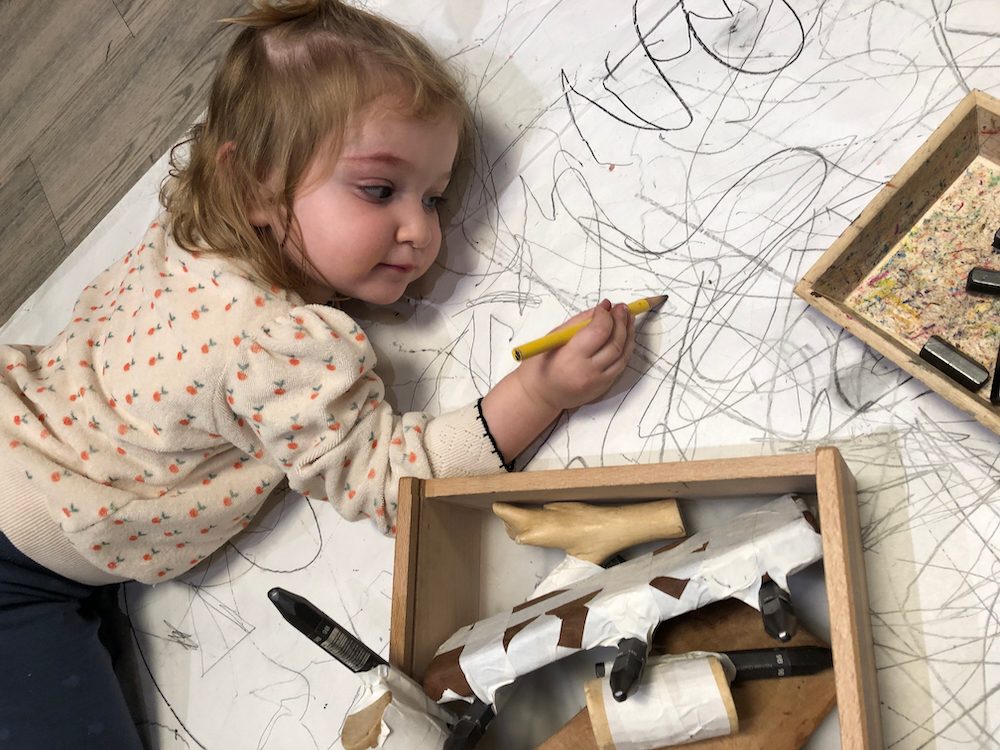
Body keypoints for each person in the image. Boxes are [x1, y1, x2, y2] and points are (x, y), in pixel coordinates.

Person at [0, 1, 636, 747]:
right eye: (379, 192)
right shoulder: (276, 348)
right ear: (255, 191)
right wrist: (541, 392)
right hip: (24, 567)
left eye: (432, 197)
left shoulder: (195, 222)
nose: (424, 230)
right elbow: (401, 484)